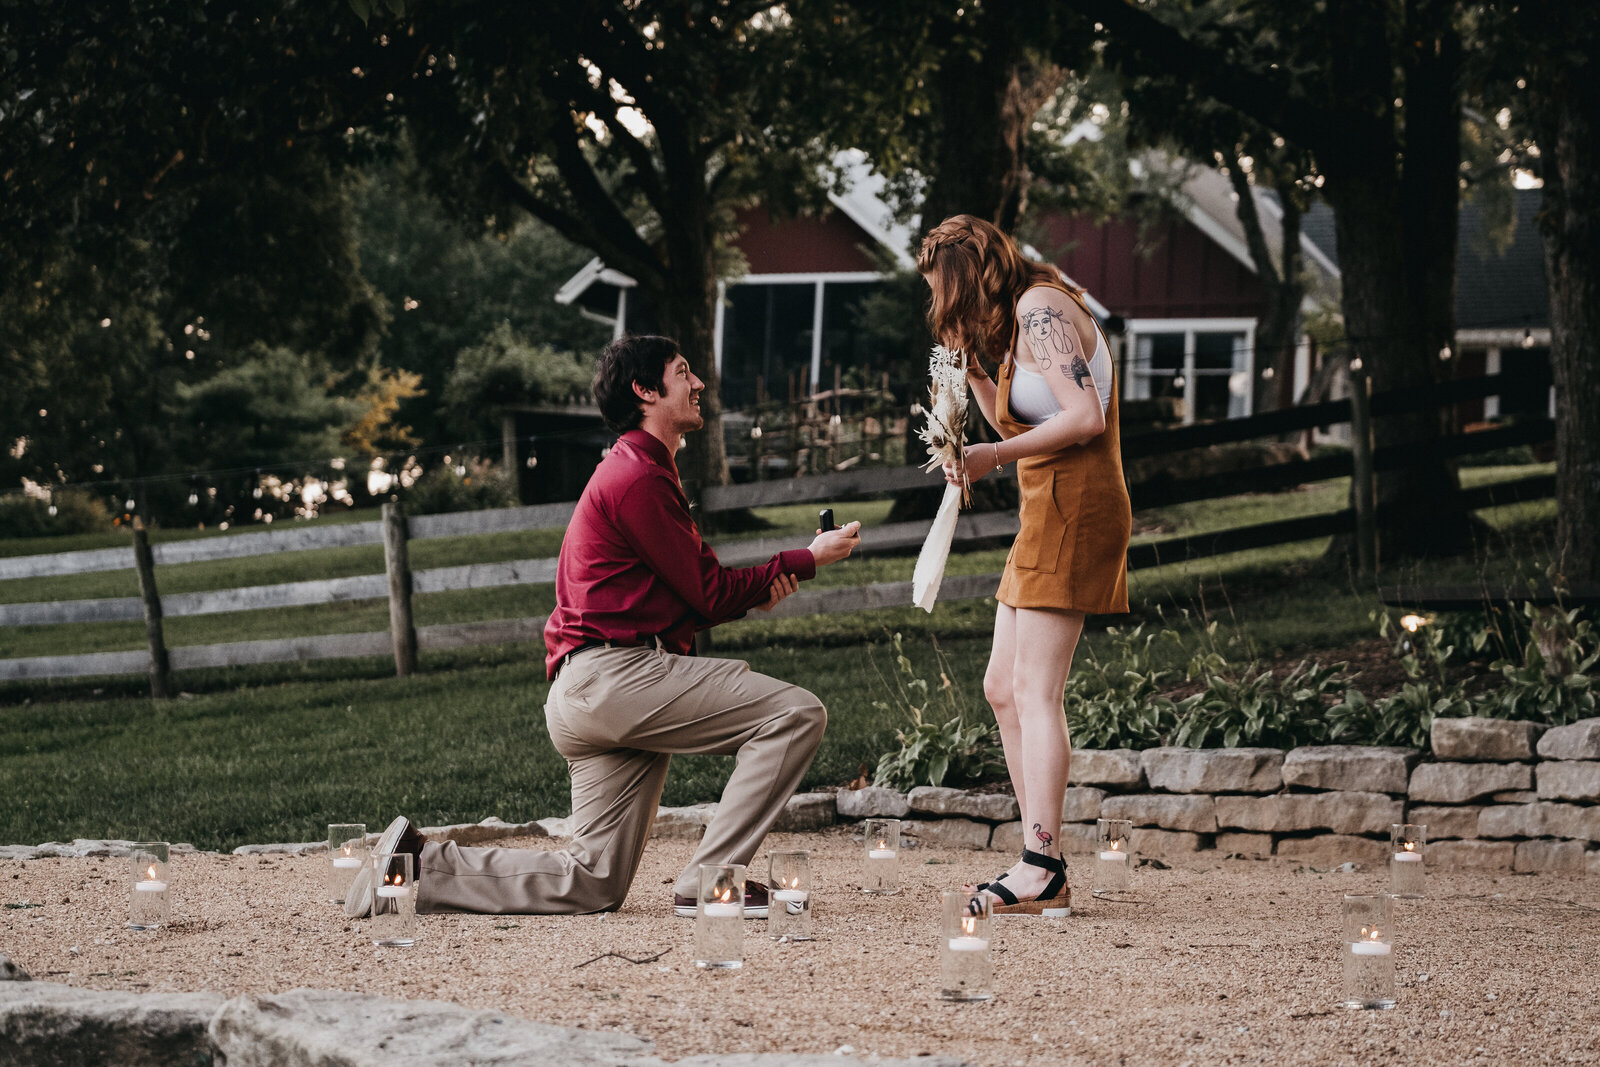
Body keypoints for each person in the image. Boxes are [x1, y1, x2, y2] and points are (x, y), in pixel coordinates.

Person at [347, 334, 861, 920]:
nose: (698, 384)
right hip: (619, 680)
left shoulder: (630, 471)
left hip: (585, 692)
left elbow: (686, 594)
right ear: (645, 391)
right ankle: (713, 882)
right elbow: (709, 591)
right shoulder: (640, 477)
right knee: (794, 715)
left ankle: (414, 866)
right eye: (683, 373)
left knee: (591, 882)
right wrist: (807, 558)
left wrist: (756, 591)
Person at [918, 215, 1131, 915]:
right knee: (1001, 688)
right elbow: (1014, 421)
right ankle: (1042, 859)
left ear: (965, 278)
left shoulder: (1041, 308)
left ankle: (1041, 861)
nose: (943, 308)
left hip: (1078, 507)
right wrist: (974, 374)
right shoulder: (1015, 326)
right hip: (1043, 509)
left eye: (942, 292)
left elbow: (1086, 416)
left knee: (1035, 689)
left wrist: (991, 458)